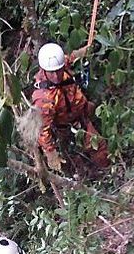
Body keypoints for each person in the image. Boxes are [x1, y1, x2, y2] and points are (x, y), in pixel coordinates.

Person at [32, 42, 110, 172]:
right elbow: (42, 130)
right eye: (52, 73)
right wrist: (51, 153)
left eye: (59, 71)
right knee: (96, 148)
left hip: (81, 111)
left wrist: (83, 52)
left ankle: (104, 169)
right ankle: (101, 175)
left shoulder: (61, 66)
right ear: (44, 70)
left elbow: (70, 59)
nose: (56, 76)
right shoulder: (44, 99)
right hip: (69, 128)